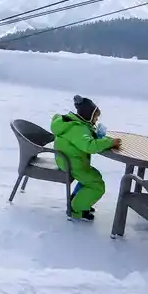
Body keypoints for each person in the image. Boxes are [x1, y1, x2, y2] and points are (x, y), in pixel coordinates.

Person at [51, 94, 121, 222]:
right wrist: (109, 142)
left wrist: (95, 134)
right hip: (72, 163)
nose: (96, 120)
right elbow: (89, 146)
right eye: (95, 117)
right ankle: (77, 209)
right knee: (97, 185)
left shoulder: (72, 122)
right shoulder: (77, 128)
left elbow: (84, 138)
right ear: (88, 115)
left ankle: (78, 200)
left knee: (94, 176)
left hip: (68, 160)